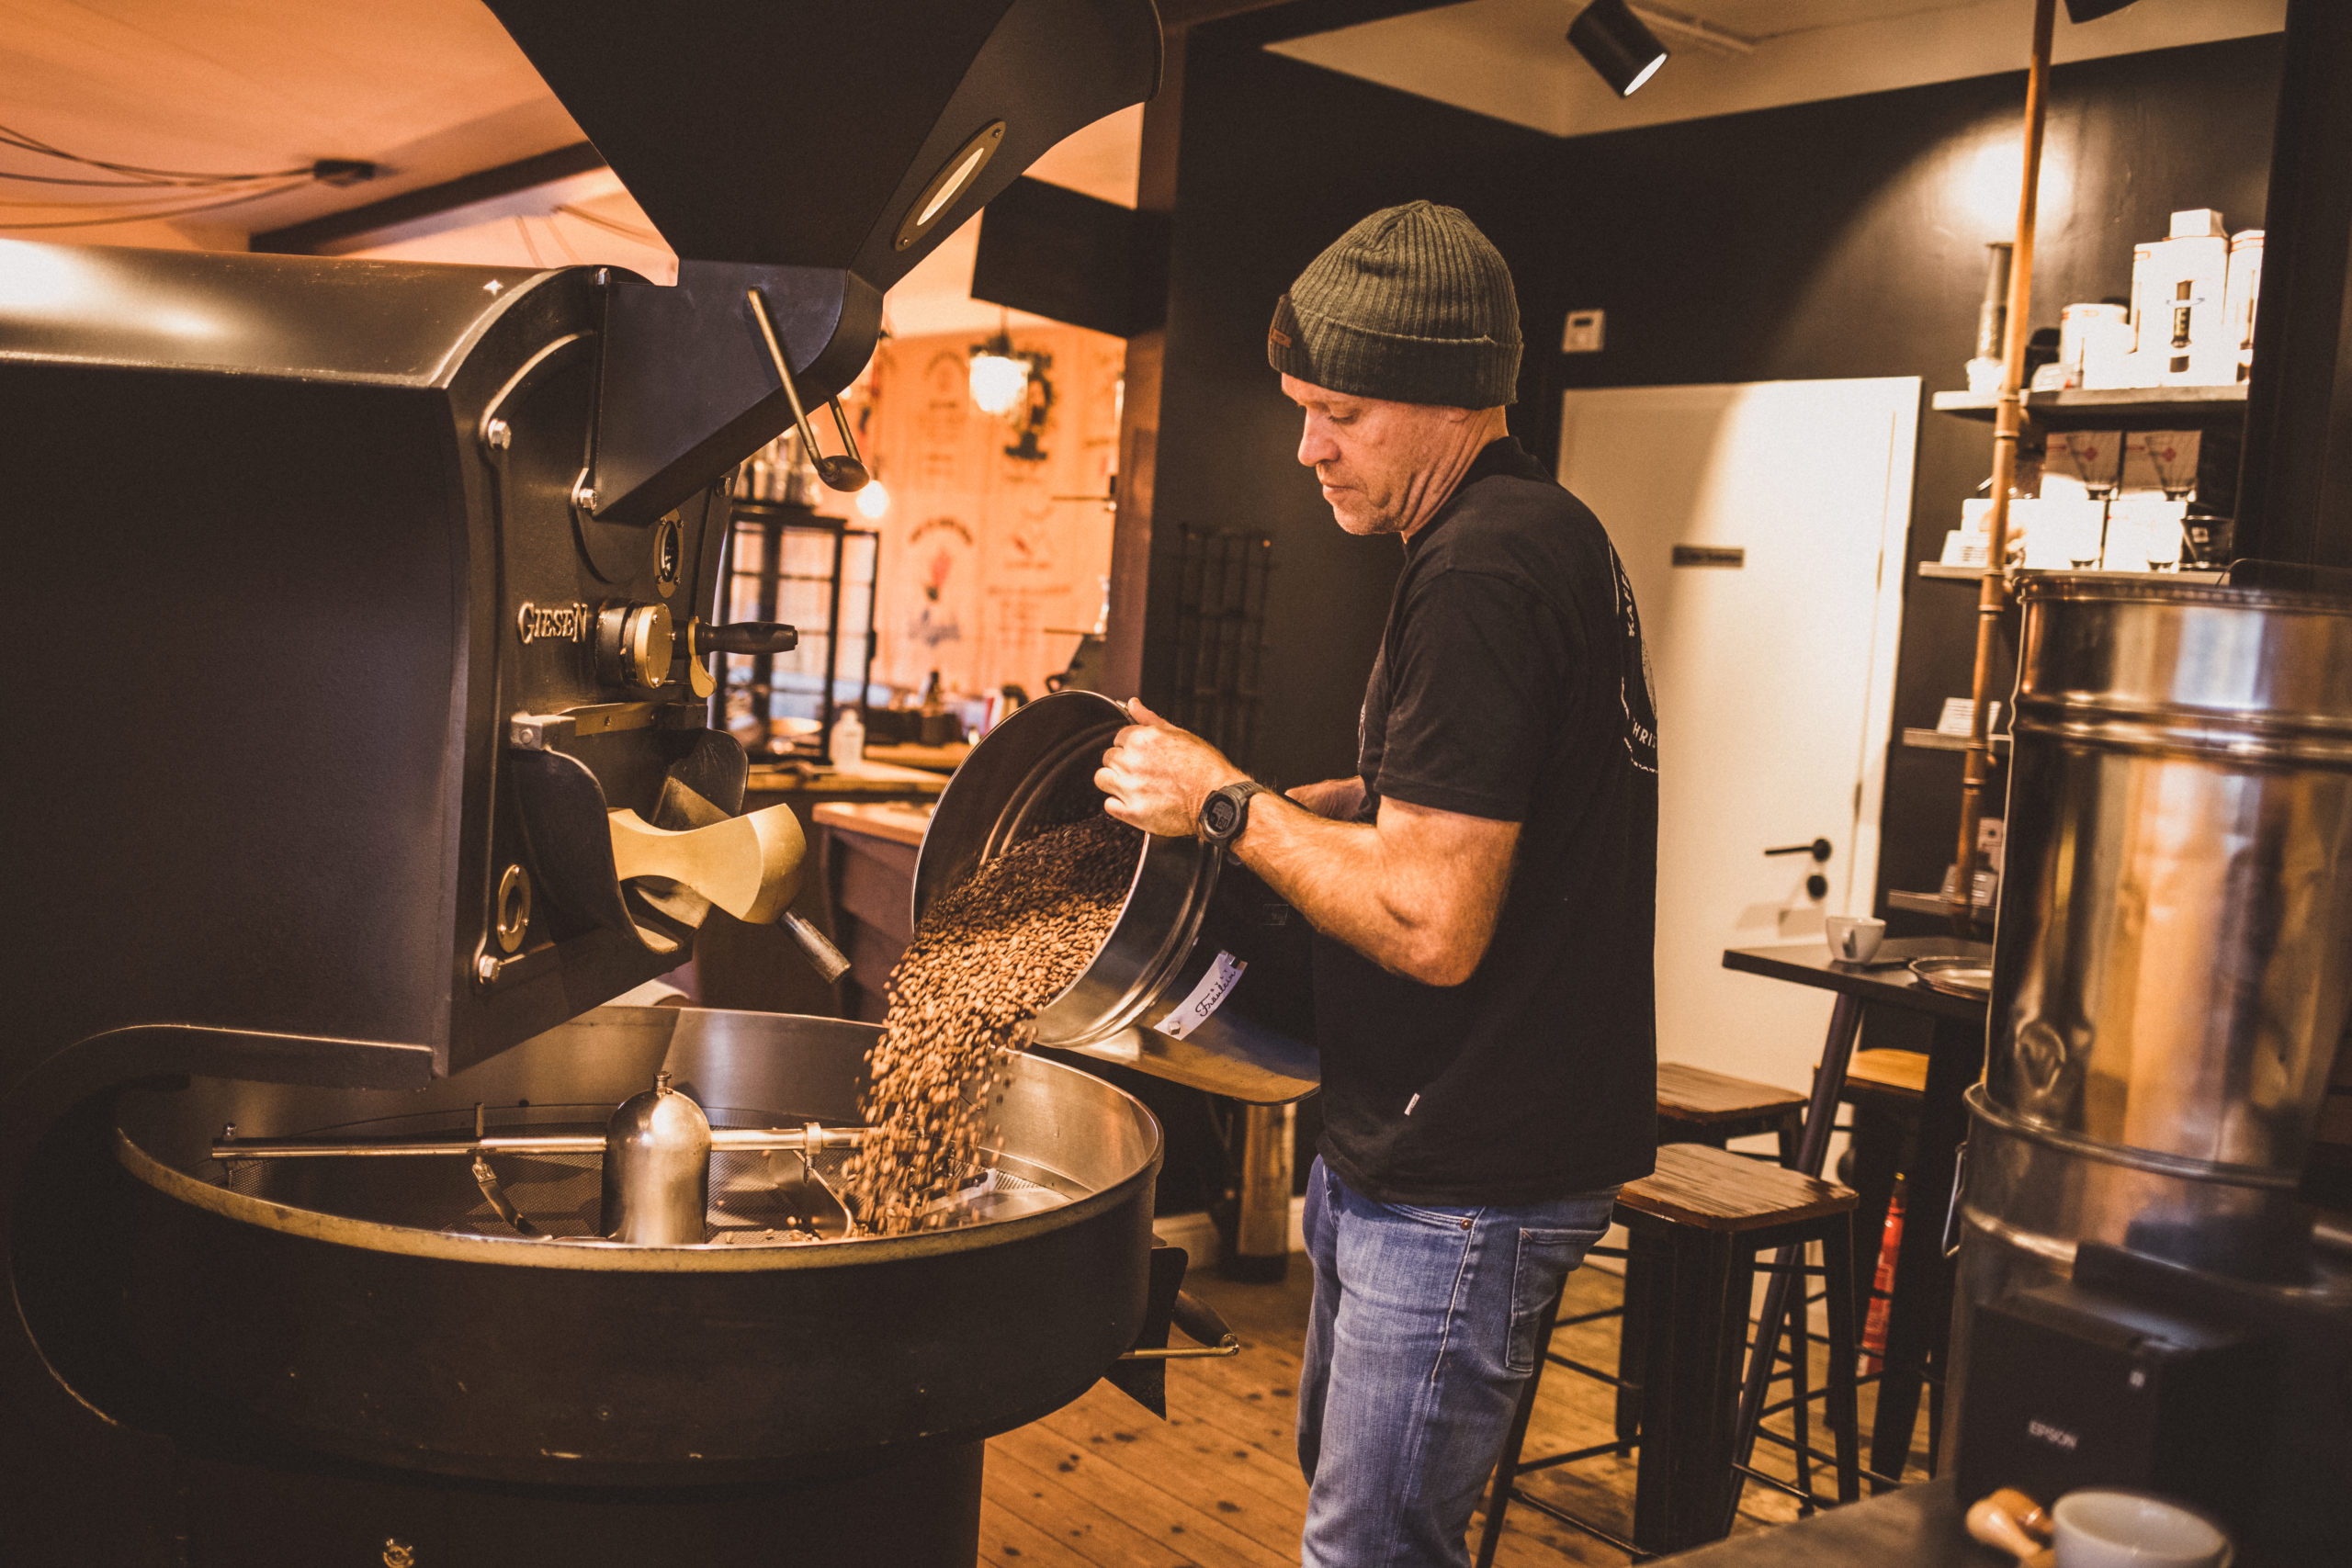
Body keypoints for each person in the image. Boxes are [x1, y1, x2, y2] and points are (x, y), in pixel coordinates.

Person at [1093, 201, 1658, 1568]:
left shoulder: (1482, 566)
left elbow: (1432, 919)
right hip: (1409, 1140)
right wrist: (1322, 809)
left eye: (1339, 409)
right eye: (1301, 405)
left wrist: (1225, 803)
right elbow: (1465, 821)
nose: (1307, 446)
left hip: (1467, 1163)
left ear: (1449, 398)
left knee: (1374, 1552)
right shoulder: (1526, 533)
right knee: (1351, 1514)